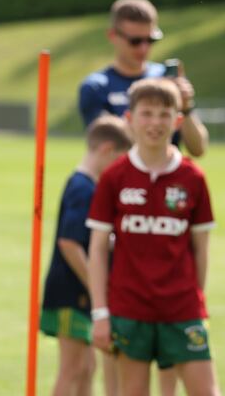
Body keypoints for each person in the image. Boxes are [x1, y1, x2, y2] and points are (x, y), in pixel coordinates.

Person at [88, 78, 220, 396]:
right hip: (129, 310)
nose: (155, 123)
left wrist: (195, 301)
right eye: (147, 113)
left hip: (182, 310)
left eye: (164, 114)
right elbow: (97, 249)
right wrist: (101, 314)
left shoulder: (193, 177)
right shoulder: (115, 176)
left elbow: (201, 250)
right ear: (129, 119)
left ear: (177, 120)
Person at [40, 115, 132, 396]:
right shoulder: (84, 188)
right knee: (72, 369)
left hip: (82, 293)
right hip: (70, 293)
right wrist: (96, 286)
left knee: (87, 367)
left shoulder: (86, 184)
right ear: (106, 149)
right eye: (119, 159)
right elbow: (69, 243)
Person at [78, 0, 209, 158]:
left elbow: (198, 149)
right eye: (135, 41)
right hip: (124, 182)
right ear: (113, 36)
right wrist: (154, 97)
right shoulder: (96, 87)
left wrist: (186, 106)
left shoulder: (165, 78)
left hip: (167, 179)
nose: (144, 48)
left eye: (151, 39)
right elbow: (108, 147)